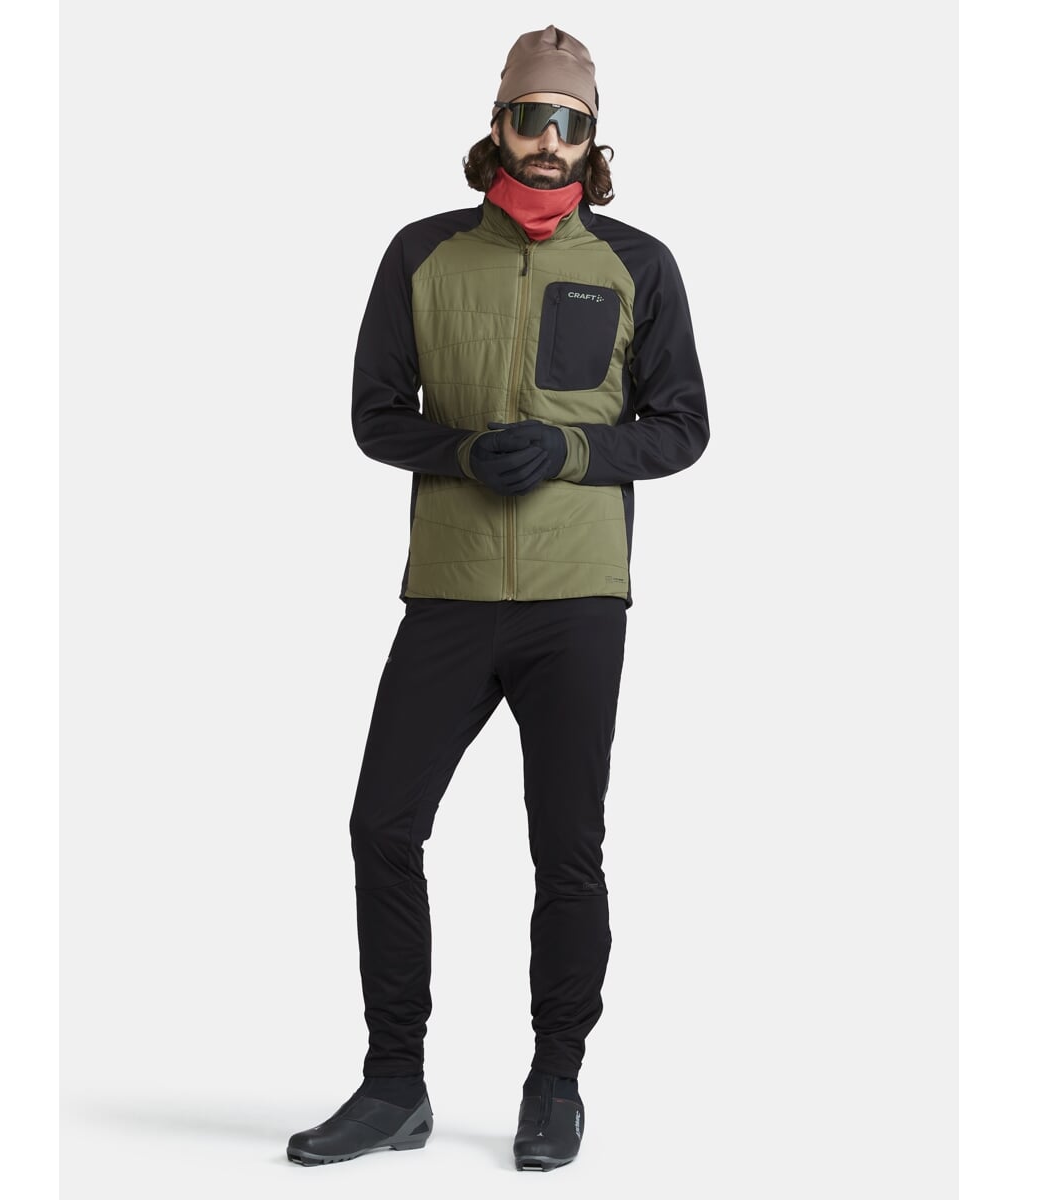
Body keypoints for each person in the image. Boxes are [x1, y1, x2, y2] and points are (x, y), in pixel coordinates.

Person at [287, 24, 709, 1172]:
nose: (549, 140)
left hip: (579, 597)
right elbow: (376, 415)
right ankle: (394, 1084)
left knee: (567, 848)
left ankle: (555, 1081)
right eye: (533, 118)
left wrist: (572, 453)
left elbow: (682, 428)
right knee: (383, 824)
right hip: (452, 590)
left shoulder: (639, 265)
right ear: (499, 125)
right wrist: (465, 451)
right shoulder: (422, 254)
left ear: (594, 138)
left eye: (571, 123)